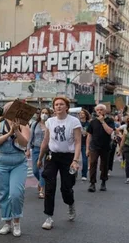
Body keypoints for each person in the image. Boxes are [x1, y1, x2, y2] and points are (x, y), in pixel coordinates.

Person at [37, 96, 81, 230]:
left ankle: (70, 204)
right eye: (56, 105)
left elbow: (78, 142)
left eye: (61, 104)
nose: (58, 107)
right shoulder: (50, 121)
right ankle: (49, 217)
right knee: (49, 186)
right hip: (52, 156)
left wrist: (75, 160)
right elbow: (46, 140)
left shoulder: (74, 121)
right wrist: (40, 158)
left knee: (66, 187)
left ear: (66, 107)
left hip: (68, 157)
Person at [0, 102, 30, 237]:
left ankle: (17, 222)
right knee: (3, 193)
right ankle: (6, 222)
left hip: (18, 163)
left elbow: (24, 143)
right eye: (9, 109)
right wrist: (9, 133)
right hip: (1, 162)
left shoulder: (24, 125)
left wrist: (17, 131)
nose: (12, 111)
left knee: (15, 193)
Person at [86, 104, 115, 192]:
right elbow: (89, 135)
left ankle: (103, 182)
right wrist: (87, 148)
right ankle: (92, 183)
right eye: (97, 110)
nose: (99, 111)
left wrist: (103, 122)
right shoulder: (93, 122)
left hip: (105, 146)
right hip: (94, 146)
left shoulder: (109, 120)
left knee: (104, 165)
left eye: (101, 110)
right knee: (93, 163)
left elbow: (110, 131)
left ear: (105, 111)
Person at [26, 108, 51, 199]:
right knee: (35, 170)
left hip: (47, 150)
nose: (44, 114)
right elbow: (30, 137)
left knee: (43, 170)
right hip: (36, 149)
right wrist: (28, 149)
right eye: (43, 113)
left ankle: (42, 190)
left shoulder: (50, 124)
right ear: (40, 114)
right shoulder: (35, 124)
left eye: (46, 113)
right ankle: (41, 182)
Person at [78, 109, 91, 181]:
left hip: (85, 143)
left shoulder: (88, 124)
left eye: (82, 113)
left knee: (85, 160)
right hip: (76, 143)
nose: (81, 115)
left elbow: (90, 134)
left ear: (86, 115)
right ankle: (74, 172)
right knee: (74, 159)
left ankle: (84, 174)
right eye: (80, 113)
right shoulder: (77, 123)